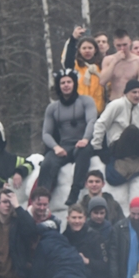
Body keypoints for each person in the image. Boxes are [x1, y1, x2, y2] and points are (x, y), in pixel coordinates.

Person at [38, 69, 98, 206]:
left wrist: (86, 139)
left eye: (69, 82)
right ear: (58, 86)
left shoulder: (86, 101)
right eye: (63, 82)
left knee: (84, 152)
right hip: (63, 146)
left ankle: (75, 190)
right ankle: (41, 197)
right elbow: (46, 133)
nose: (66, 85)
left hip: (82, 144)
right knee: (47, 162)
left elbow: (92, 121)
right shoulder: (52, 108)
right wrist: (56, 147)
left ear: (74, 83)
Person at [93, 80, 139, 186]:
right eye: (134, 92)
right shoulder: (116, 105)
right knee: (132, 130)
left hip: (133, 147)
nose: (137, 95)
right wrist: (97, 148)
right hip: (117, 146)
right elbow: (101, 124)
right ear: (126, 93)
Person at [61, 26, 106, 114]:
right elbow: (67, 60)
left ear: (95, 50)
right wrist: (73, 39)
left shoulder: (102, 66)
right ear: (79, 50)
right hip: (79, 111)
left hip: (99, 111)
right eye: (84, 48)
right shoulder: (75, 66)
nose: (87, 51)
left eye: (90, 48)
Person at [100, 28, 139, 102]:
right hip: (114, 100)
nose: (122, 48)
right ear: (114, 44)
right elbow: (102, 81)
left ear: (130, 42)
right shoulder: (108, 60)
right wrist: (114, 62)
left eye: (125, 45)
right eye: (119, 45)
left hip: (131, 102)